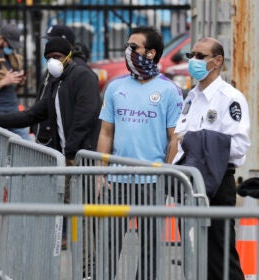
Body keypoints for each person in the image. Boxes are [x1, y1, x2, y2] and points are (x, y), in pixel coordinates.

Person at [97, 25, 183, 279]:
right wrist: (100, 174)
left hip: (151, 182)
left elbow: (174, 138)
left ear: (151, 53)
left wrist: (165, 174)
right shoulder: (114, 87)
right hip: (116, 181)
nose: (128, 51)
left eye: (134, 47)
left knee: (148, 248)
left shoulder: (169, 90)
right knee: (109, 245)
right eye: (127, 46)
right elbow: (105, 133)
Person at [172, 37, 250, 280]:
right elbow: (178, 139)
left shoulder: (230, 98)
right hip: (189, 183)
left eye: (199, 56)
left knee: (220, 258)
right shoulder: (191, 97)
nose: (193, 61)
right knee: (193, 256)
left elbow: (238, 145)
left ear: (217, 61)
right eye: (191, 55)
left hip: (216, 182)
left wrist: (194, 140)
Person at [0, 36, 101, 163]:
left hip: (83, 157)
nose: (52, 62)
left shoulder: (83, 76)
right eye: (48, 58)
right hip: (66, 157)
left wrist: (71, 153)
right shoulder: (54, 83)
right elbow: (31, 115)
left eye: (56, 57)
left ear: (69, 57)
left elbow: (84, 118)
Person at [34, 24, 93, 146]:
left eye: (52, 41)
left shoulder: (78, 71)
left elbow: (82, 116)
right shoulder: (55, 68)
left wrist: (71, 150)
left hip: (60, 140)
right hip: (47, 135)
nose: (49, 45)